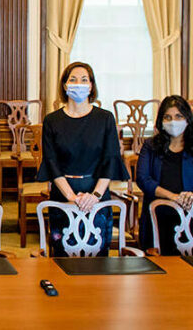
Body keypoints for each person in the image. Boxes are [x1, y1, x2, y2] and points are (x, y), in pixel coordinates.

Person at [36, 61, 128, 256]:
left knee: (98, 255)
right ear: (64, 85)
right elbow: (51, 162)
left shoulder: (105, 118)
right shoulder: (52, 120)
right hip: (64, 195)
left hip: (97, 194)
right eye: (73, 79)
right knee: (62, 255)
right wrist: (71, 197)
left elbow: (110, 160)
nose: (79, 83)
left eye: (84, 79)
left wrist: (94, 197)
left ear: (91, 86)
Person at [135, 94, 193, 253]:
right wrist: (172, 196)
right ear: (161, 121)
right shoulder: (150, 146)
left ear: (187, 118)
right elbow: (143, 179)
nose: (173, 121)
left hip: (192, 216)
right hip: (157, 217)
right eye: (167, 117)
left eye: (178, 116)